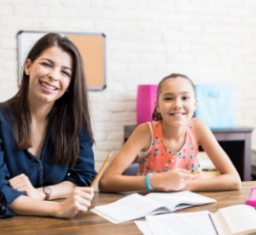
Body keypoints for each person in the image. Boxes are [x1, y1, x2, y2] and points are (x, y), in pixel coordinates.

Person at [0, 33, 96, 219]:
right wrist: (57, 209)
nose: (53, 76)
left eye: (65, 72)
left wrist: (41, 192)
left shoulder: (75, 121)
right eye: (47, 64)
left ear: (70, 85)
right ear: (28, 66)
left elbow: (84, 179)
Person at [99, 73, 241, 193]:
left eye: (185, 98)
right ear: (158, 106)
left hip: (191, 206)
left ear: (195, 104)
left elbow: (234, 180)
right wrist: (157, 181)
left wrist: (181, 186)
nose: (177, 104)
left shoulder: (198, 128)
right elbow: (106, 182)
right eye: (168, 98)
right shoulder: (145, 132)